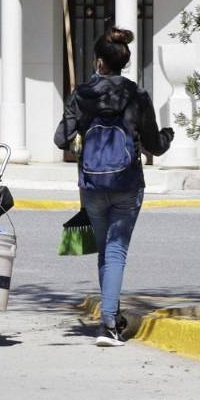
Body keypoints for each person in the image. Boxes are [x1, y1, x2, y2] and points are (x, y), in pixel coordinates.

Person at [54, 28, 174, 347]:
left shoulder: (82, 94)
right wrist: (168, 136)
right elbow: (154, 146)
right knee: (116, 249)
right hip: (128, 182)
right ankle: (109, 323)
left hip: (92, 183)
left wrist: (81, 136)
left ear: (99, 62)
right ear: (122, 62)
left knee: (104, 250)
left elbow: (59, 139)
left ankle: (110, 316)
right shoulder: (137, 95)